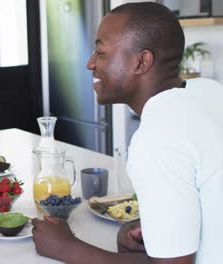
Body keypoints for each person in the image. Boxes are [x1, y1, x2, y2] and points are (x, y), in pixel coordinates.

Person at [32, 2, 223, 264]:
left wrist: (66, 247)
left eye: (100, 52)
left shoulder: (158, 138)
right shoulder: (208, 91)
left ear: (142, 62)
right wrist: (154, 222)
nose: (90, 64)